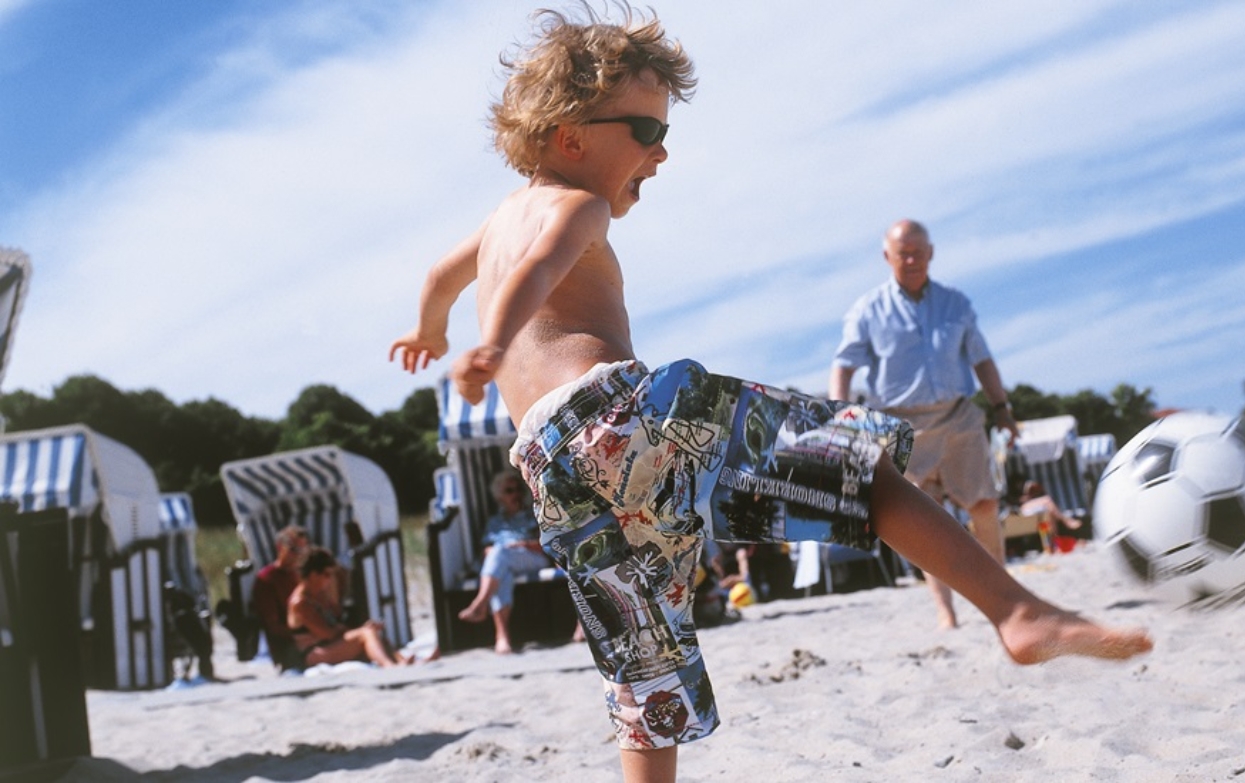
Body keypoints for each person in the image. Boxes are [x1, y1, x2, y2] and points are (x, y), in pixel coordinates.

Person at [388, 5, 1151, 780]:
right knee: (851, 467)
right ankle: (1017, 611)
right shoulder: (576, 206)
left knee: (644, 657)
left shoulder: (492, 224)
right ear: (571, 136)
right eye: (646, 132)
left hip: (551, 470)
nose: (661, 153)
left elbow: (436, 280)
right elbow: (540, 268)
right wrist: (487, 340)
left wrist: (433, 332)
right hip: (620, 418)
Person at [830, 218, 1018, 629]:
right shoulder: (867, 311)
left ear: (931, 253)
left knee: (984, 504)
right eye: (903, 253)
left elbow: (982, 359)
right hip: (902, 426)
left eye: (919, 251)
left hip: (958, 415)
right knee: (925, 520)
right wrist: (839, 417)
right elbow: (843, 366)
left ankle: (1003, 596)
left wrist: (1002, 406)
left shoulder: (957, 305)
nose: (912, 259)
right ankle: (946, 611)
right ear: (888, 257)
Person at [456, 468, 554, 654]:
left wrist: (520, 544)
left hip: (533, 557)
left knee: (500, 554)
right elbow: (486, 549)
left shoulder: (533, 514)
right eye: (509, 491)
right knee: (503, 572)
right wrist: (497, 551)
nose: (515, 494)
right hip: (504, 563)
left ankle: (480, 604)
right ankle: (502, 637)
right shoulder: (495, 522)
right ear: (499, 496)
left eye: (518, 489)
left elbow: (546, 545)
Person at [286, 547, 409, 668]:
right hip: (314, 652)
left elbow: (338, 615)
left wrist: (332, 594)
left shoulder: (319, 595)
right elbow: (326, 634)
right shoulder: (300, 602)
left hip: (330, 644)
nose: (329, 580)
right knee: (366, 633)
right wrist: (358, 629)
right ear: (313, 575)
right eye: (327, 575)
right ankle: (388, 665)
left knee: (375, 636)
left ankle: (402, 661)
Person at [250, 524, 309, 671]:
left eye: (302, 551)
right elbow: (273, 625)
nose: (298, 555)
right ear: (280, 547)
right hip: (288, 646)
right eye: (294, 550)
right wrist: (303, 635)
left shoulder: (300, 574)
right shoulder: (267, 579)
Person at [1018, 479, 1082, 553]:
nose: (1035, 492)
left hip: (1039, 521)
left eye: (1036, 489)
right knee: (1047, 501)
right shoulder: (1026, 502)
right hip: (1027, 516)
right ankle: (1066, 521)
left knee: (1049, 514)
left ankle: (1054, 544)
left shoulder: (1039, 503)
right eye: (1033, 490)